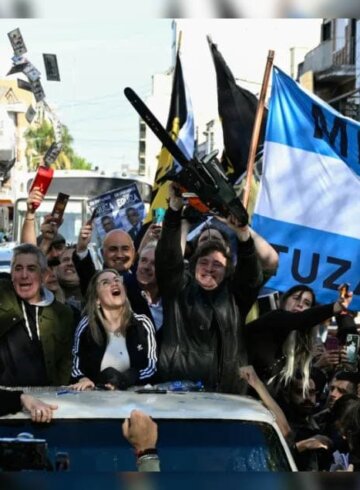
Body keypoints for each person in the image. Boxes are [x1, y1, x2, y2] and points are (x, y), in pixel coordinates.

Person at [155, 183, 263, 394]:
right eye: (204, 262)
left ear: (228, 271)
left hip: (226, 394)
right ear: (193, 265)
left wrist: (243, 235)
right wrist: (175, 209)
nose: (210, 269)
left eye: (217, 265)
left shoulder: (234, 297)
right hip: (179, 393)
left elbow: (251, 277)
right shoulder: (177, 289)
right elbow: (167, 258)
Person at [245, 284, 353, 394]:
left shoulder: (300, 343)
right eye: (296, 298)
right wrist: (335, 307)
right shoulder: (273, 318)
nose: (300, 304)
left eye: (307, 303)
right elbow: (298, 320)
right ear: (283, 301)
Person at [0, 243, 74, 386]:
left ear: (44, 275)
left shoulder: (63, 313)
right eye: (18, 269)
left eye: (31, 269)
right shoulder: (3, 296)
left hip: (47, 398)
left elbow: (65, 362)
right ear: (12, 274)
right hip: (6, 398)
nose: (24, 275)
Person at [70, 269, 157, 390]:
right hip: (96, 399)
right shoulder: (86, 326)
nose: (114, 283)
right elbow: (76, 366)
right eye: (105, 282)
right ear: (97, 299)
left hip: (136, 399)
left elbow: (152, 367)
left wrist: (124, 379)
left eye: (117, 280)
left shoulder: (142, 323)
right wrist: (83, 379)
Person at [73, 220, 136, 296]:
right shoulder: (95, 282)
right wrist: (82, 249)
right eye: (113, 249)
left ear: (133, 252)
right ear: (102, 253)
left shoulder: (143, 279)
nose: (119, 255)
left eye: (125, 248)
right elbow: (85, 272)